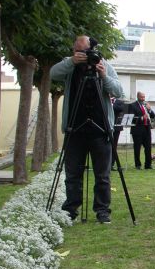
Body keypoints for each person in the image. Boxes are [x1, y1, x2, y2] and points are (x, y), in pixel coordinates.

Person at [50, 35, 125, 224]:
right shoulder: (70, 65)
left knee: (103, 175)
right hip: (75, 128)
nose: (81, 54)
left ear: (93, 49)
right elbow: (53, 74)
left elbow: (118, 91)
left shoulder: (104, 65)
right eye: (77, 51)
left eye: (84, 51)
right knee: (72, 174)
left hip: (100, 130)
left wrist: (104, 76)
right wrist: (71, 63)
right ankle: (70, 209)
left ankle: (102, 211)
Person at [128, 92, 155, 170]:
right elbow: (131, 118)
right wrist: (142, 118)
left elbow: (153, 116)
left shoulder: (145, 105)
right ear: (138, 97)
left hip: (147, 129)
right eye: (141, 97)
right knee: (137, 148)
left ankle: (148, 164)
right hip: (137, 130)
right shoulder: (132, 105)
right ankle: (138, 164)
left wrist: (149, 110)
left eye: (144, 97)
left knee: (148, 148)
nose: (143, 99)